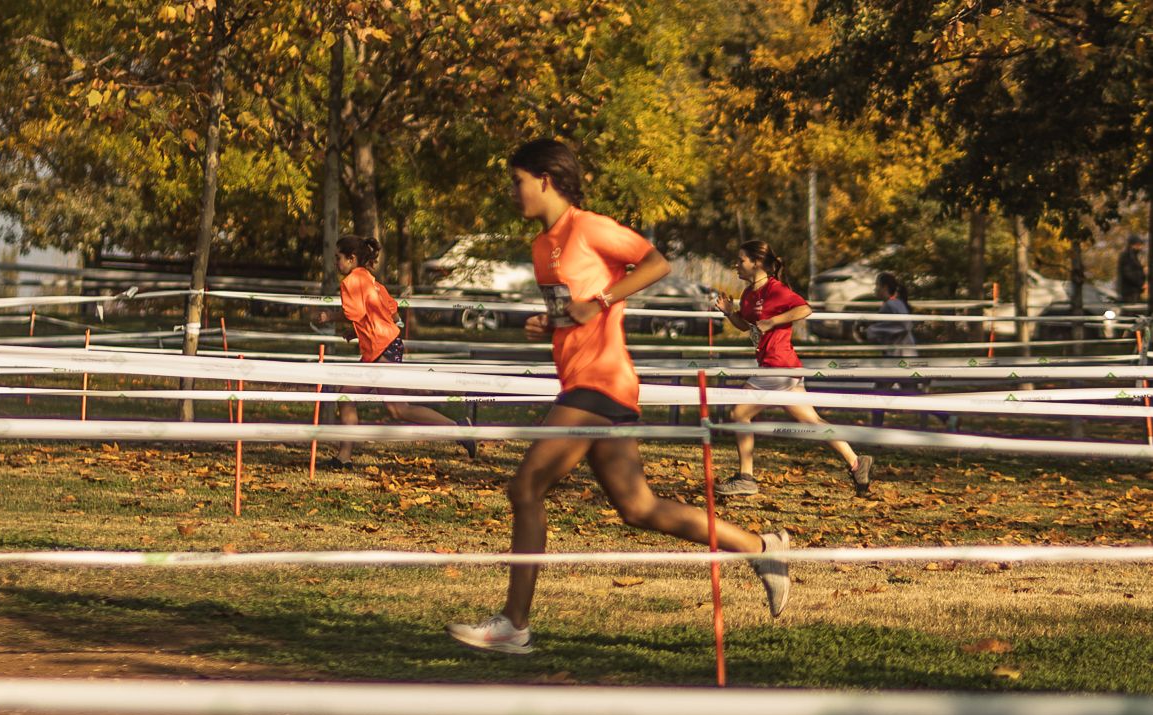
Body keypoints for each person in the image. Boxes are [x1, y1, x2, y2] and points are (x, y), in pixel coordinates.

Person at [446, 139, 791, 654]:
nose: (512, 191)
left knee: (526, 486)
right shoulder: (543, 247)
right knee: (637, 507)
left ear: (545, 179)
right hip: (582, 381)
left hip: (600, 380)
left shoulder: (590, 227)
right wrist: (552, 322)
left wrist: (602, 299)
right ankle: (761, 547)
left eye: (517, 180)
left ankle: (514, 624)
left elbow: (656, 264)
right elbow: (576, 310)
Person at [714, 240, 873, 497]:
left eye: (741, 260)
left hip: (778, 366)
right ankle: (856, 462)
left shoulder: (776, 290)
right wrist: (730, 313)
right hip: (781, 367)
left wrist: (774, 321)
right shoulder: (748, 294)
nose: (736, 265)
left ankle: (746, 477)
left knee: (739, 412)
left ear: (756, 263)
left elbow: (804, 308)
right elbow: (746, 327)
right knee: (811, 420)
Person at [316, 235, 476, 468]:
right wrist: (359, 331)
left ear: (351, 259)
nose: (335, 263)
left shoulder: (351, 281)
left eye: (338, 258)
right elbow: (392, 313)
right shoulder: (372, 281)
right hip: (384, 346)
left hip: (383, 348)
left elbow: (355, 313)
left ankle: (458, 428)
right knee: (350, 398)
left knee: (396, 409)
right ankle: (344, 458)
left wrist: (330, 316)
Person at [866, 272, 917, 429]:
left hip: (896, 359)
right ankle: (947, 418)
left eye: (877, 286)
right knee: (914, 395)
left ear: (885, 287)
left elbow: (903, 326)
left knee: (879, 393)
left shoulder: (891, 305)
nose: (875, 290)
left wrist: (872, 330)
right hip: (904, 357)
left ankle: (875, 430)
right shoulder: (897, 304)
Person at [1117, 234, 1148, 305]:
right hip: (1129, 292)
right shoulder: (1126, 256)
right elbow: (1129, 273)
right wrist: (1141, 283)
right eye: (1137, 245)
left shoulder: (1134, 256)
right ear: (1131, 245)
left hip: (1134, 291)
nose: (1139, 247)